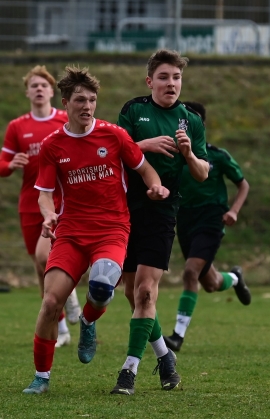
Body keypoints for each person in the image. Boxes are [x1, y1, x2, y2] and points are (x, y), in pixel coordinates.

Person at [22, 66, 168, 394]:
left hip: (112, 229)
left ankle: (88, 321)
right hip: (71, 232)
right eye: (80, 100)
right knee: (50, 303)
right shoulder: (53, 144)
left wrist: (156, 188)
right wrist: (48, 216)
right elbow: (44, 193)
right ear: (66, 103)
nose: (87, 106)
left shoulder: (114, 135)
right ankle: (41, 377)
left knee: (102, 286)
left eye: (92, 100)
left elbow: (146, 170)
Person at [110, 49, 209, 395]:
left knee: (146, 292)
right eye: (164, 77)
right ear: (150, 81)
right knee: (131, 292)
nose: (171, 84)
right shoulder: (133, 110)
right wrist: (144, 144)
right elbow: (112, 153)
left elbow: (201, 173)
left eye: (177, 77)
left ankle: (129, 372)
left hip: (163, 213)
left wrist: (189, 154)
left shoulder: (191, 119)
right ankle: (165, 357)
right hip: (126, 210)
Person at [1, 65, 81, 346]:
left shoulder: (63, 120)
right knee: (39, 269)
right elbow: (2, 165)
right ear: (27, 92)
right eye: (33, 85)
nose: (38, 89)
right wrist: (10, 165)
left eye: (43, 85)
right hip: (28, 204)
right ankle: (61, 331)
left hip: (58, 200)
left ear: (51, 91)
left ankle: (71, 302)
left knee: (45, 257)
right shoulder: (17, 126)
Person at [163, 101, 251, 353]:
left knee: (190, 272)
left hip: (212, 219)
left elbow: (243, 184)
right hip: (185, 219)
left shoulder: (217, 156)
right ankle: (234, 278)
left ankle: (177, 336)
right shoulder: (172, 158)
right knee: (210, 282)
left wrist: (233, 211)